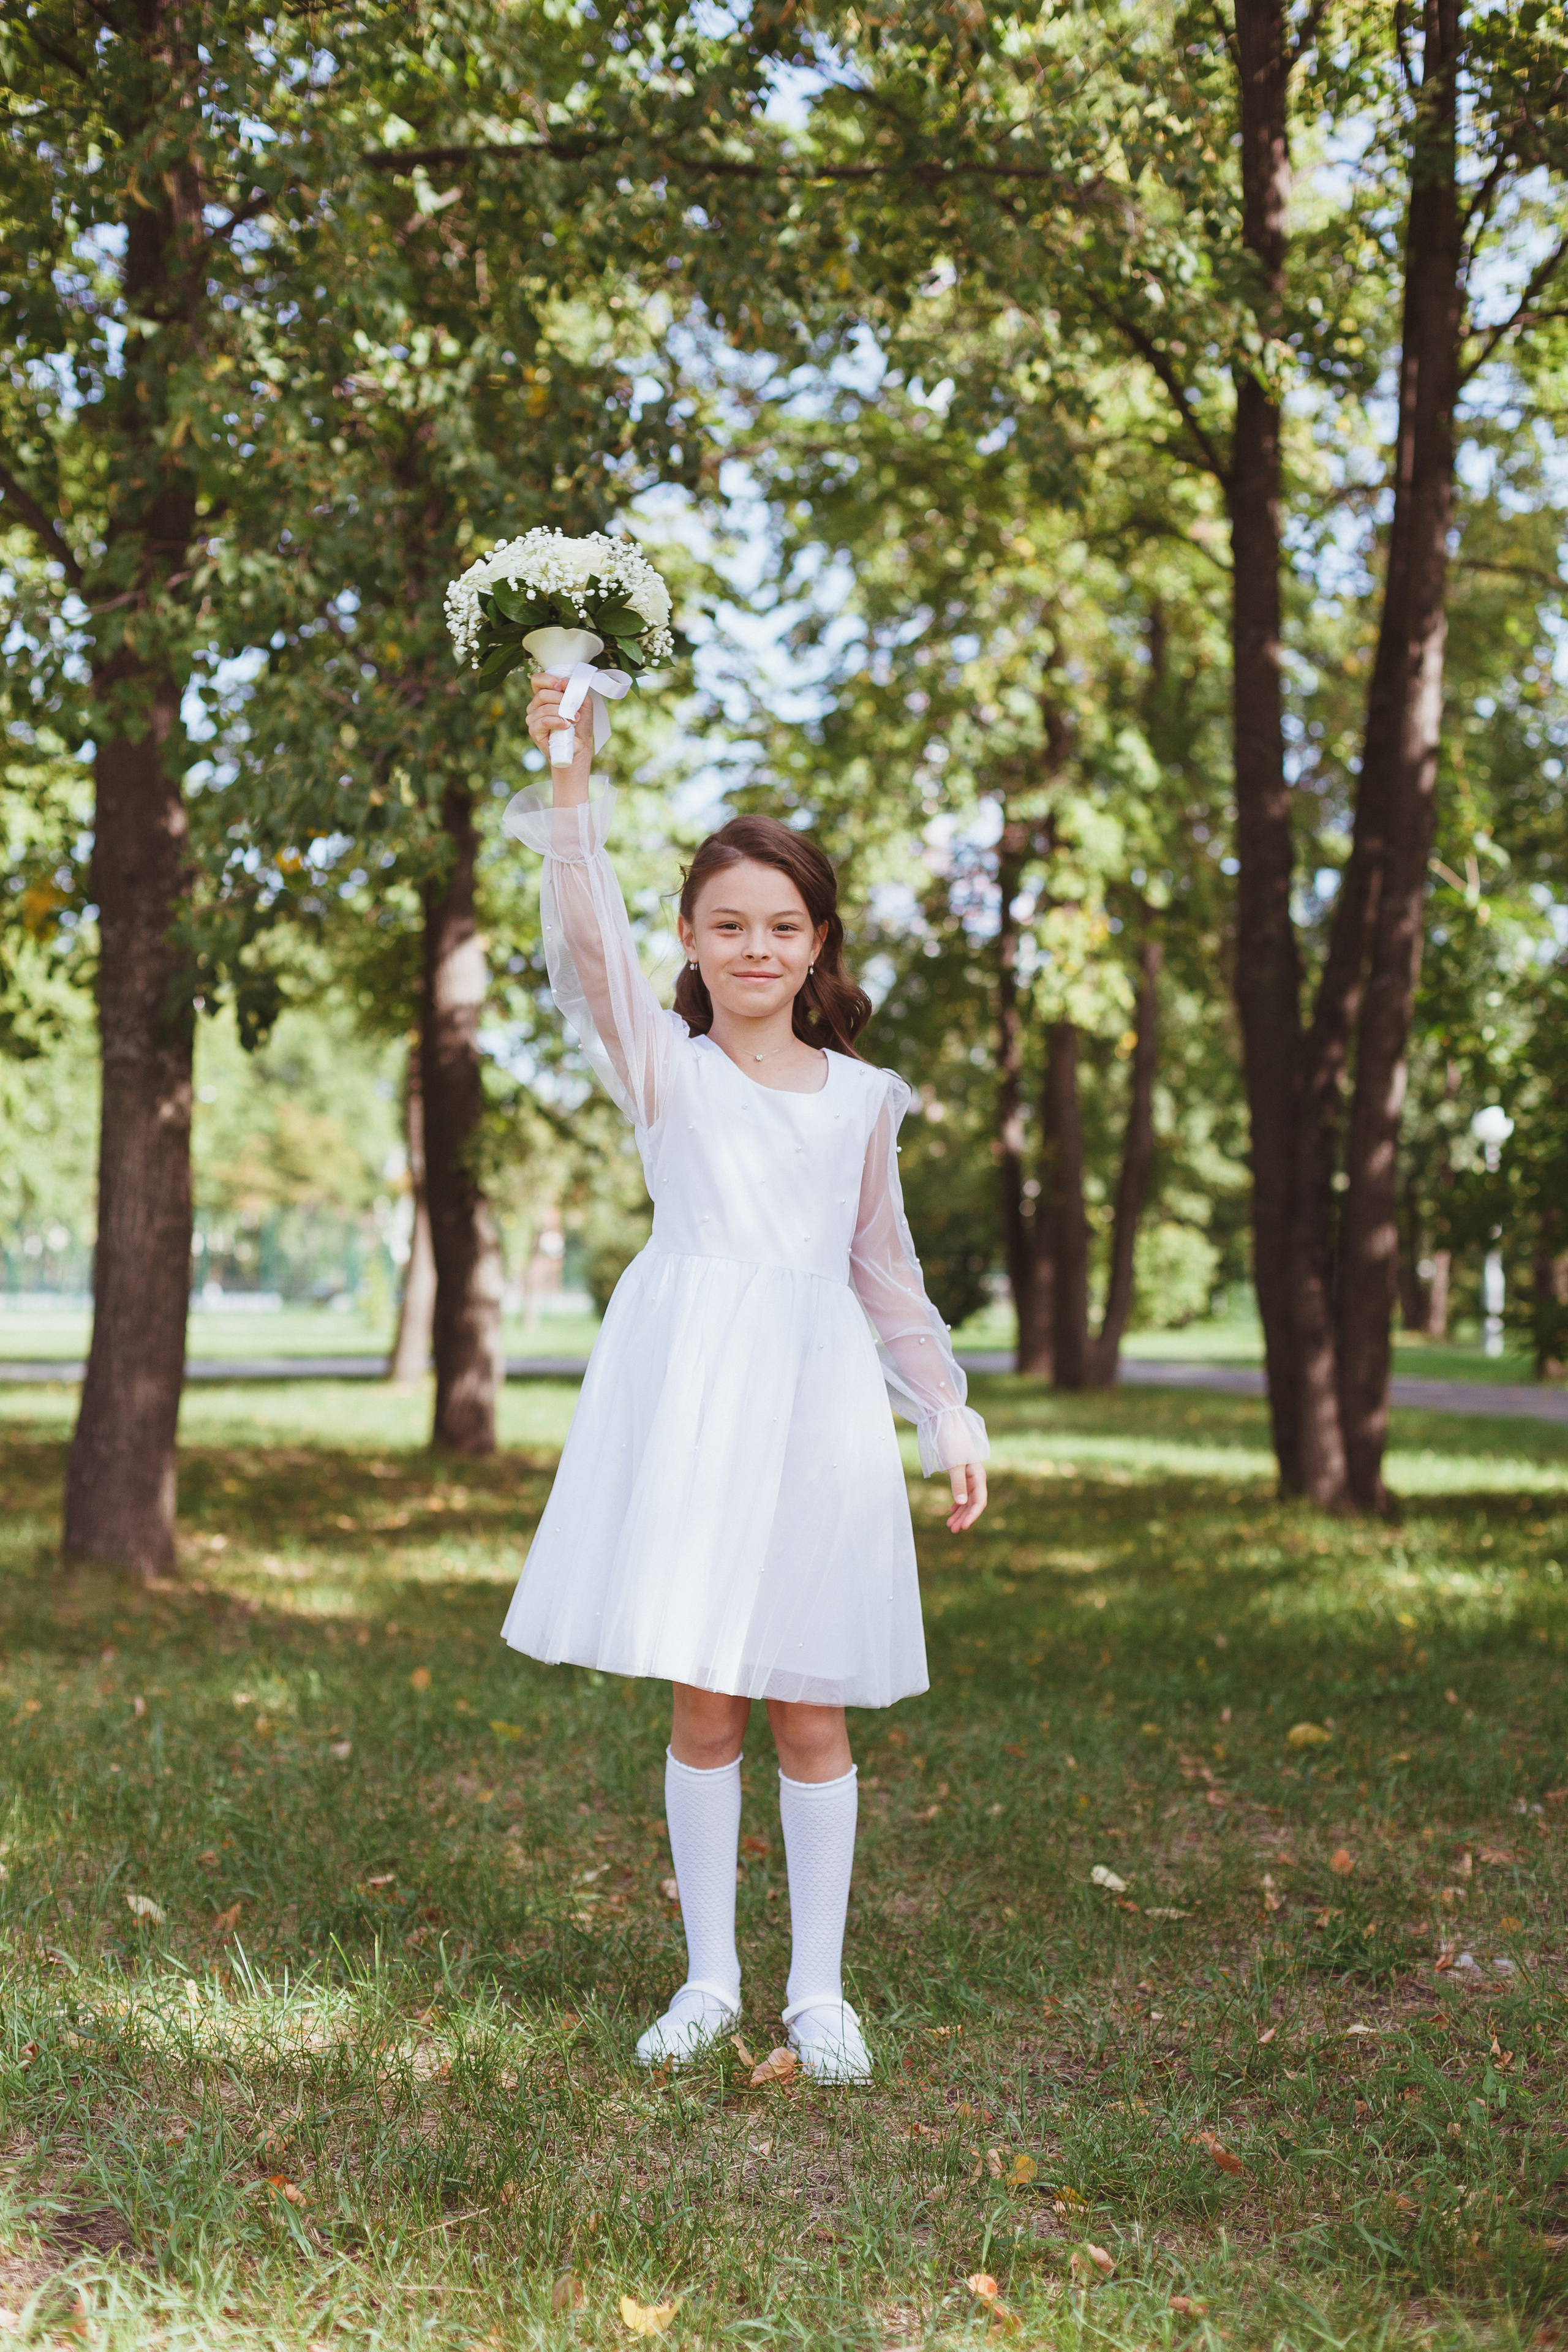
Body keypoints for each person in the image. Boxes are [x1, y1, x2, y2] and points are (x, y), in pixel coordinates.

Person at [500, 669, 989, 2082]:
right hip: (694, 1398)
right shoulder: (663, 1067)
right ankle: (710, 1976)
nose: (755, 947)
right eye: (728, 925)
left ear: (818, 939)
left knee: (810, 1701)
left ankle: (816, 1991)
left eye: (781, 926)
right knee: (704, 1696)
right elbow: (583, 938)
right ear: (692, 942)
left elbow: (881, 1271)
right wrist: (570, 771)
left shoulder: (863, 1099)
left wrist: (945, 1409)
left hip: (814, 1415)